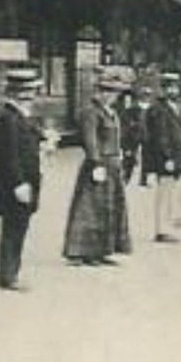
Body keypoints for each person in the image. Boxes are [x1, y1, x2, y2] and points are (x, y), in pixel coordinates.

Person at [0, 68, 46, 291]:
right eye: (28, 92)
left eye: (32, 91)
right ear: (18, 94)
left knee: (19, 227)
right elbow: (9, 155)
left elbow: (31, 142)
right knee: (12, 229)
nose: (32, 97)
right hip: (15, 183)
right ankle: (8, 276)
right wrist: (19, 183)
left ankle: (11, 274)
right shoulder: (8, 118)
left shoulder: (20, 116)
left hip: (25, 181)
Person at [62, 66, 133, 266]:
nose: (110, 96)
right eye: (106, 91)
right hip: (99, 165)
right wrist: (96, 163)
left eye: (113, 92)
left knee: (108, 208)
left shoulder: (111, 113)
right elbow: (90, 140)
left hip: (112, 165)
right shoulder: (90, 112)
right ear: (98, 91)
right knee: (91, 209)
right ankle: (83, 251)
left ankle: (102, 250)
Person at [143, 72, 181, 242]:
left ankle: (166, 228)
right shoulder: (159, 110)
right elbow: (161, 136)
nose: (173, 90)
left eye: (175, 87)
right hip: (166, 159)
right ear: (163, 89)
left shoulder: (171, 107)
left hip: (173, 158)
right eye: (169, 87)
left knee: (169, 193)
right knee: (165, 194)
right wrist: (168, 157)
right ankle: (162, 230)